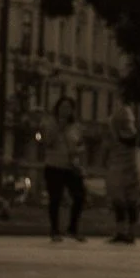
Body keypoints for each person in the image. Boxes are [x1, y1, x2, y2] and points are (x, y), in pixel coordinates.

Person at [40, 95, 87, 243]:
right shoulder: (49, 123)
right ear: (57, 108)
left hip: (70, 166)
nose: (65, 110)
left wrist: (79, 159)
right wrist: (58, 127)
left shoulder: (76, 127)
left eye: (69, 107)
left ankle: (72, 228)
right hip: (53, 165)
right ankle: (55, 230)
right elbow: (46, 142)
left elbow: (80, 145)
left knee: (79, 196)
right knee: (55, 197)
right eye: (63, 107)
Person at [104, 97, 140, 244]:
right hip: (129, 169)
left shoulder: (114, 130)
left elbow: (107, 147)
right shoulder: (132, 134)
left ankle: (123, 231)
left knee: (121, 202)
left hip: (118, 169)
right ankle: (129, 232)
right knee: (130, 202)